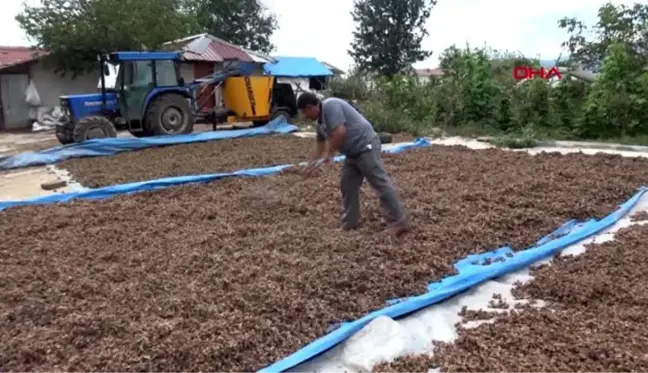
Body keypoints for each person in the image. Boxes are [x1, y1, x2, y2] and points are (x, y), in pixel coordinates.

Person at [296, 92, 409, 237]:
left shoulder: (330, 105)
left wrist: (329, 155)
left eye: (304, 112)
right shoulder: (320, 122)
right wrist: (310, 164)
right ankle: (350, 223)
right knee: (347, 185)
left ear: (310, 107)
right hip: (352, 153)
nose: (305, 117)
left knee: (380, 183)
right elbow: (320, 145)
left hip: (365, 145)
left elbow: (340, 132)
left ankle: (399, 222)